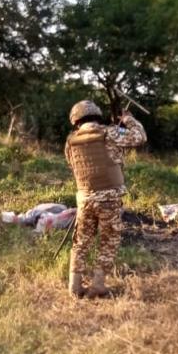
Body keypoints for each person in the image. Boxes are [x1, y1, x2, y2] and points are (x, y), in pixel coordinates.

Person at [64, 100, 147, 298]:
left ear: (76, 120)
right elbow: (140, 138)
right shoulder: (110, 133)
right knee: (108, 241)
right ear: (97, 115)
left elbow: (72, 164)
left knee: (81, 242)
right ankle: (98, 285)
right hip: (109, 198)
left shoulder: (71, 140)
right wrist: (129, 120)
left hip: (84, 197)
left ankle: (74, 287)